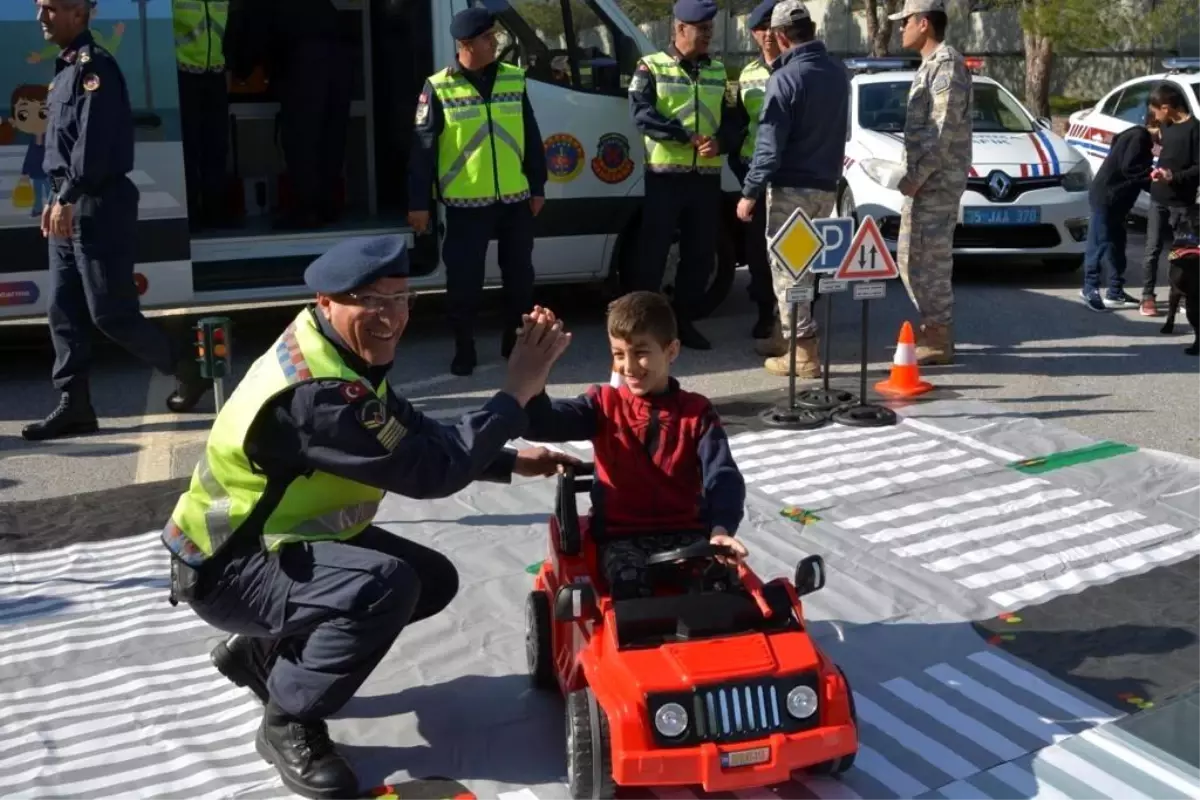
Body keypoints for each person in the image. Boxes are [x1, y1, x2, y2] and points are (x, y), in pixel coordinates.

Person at [161, 234, 580, 799]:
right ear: (328, 300)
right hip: (229, 567)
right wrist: (514, 394)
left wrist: (508, 461)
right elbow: (429, 472)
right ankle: (288, 717)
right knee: (386, 587)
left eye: (402, 298)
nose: (392, 317)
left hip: (265, 544)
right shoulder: (319, 393)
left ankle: (260, 650)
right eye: (372, 301)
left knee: (431, 579)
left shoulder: (328, 347)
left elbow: (409, 428)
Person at [24, 0, 209, 443]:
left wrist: (67, 197)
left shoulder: (95, 68)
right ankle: (75, 405)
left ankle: (185, 366)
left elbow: (95, 144)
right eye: (38, 8)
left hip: (97, 204)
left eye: (49, 8)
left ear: (78, 12)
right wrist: (55, 198)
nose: (40, 18)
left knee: (110, 312)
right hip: (67, 203)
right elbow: (61, 149)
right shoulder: (65, 68)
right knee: (62, 311)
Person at [520, 291, 749, 600]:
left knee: (721, 590)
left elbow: (722, 476)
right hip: (621, 538)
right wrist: (535, 372)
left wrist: (721, 529)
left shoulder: (697, 412)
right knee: (630, 590)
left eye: (640, 352)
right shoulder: (601, 404)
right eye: (618, 354)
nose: (628, 366)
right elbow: (543, 422)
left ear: (671, 351)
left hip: (687, 534)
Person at [408, 6, 547, 377]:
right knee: (464, 281)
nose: (496, 41)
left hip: (515, 200)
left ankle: (513, 341)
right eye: (488, 38)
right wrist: (418, 203)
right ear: (466, 44)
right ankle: (464, 346)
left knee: (520, 277)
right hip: (466, 204)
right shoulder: (438, 86)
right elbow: (422, 150)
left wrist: (538, 186)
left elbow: (531, 137)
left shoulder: (514, 80)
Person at [736, 0, 849, 378]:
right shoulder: (837, 72)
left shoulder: (785, 79)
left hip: (793, 190)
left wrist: (750, 191)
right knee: (806, 268)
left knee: (789, 271)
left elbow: (768, 148)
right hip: (825, 188)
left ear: (780, 36)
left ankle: (802, 352)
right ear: (812, 30)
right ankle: (789, 337)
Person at [628, 0, 740, 351]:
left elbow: (735, 121)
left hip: (705, 179)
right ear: (680, 29)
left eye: (710, 29)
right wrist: (684, 137)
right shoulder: (651, 67)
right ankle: (641, 329)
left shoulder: (718, 72)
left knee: (700, 254)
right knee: (652, 255)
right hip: (665, 178)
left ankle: (683, 324)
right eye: (701, 30)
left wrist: (721, 142)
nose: (708, 36)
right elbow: (642, 114)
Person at [889, 0, 972, 365]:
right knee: (910, 259)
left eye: (904, 21)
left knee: (930, 262)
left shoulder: (947, 64)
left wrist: (916, 178)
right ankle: (934, 328)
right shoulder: (930, 65)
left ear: (923, 23)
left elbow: (941, 132)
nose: (899, 28)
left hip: (935, 183)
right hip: (926, 181)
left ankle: (939, 336)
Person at [271, 0, 354, 229]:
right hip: (339, 60)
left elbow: (263, 36)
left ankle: (307, 210)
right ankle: (327, 206)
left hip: (306, 61)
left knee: (302, 139)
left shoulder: (285, 9)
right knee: (332, 136)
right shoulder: (324, 8)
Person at [730, 0, 780, 343]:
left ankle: (796, 313)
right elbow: (737, 125)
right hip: (754, 175)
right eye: (759, 30)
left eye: (771, 28)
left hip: (790, 175)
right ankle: (765, 313)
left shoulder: (795, 68)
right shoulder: (747, 75)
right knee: (758, 251)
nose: (765, 36)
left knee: (794, 247)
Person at [1079, 110, 1158, 312]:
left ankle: (1115, 290)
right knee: (1099, 242)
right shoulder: (1139, 137)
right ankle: (1090, 287)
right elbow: (1130, 168)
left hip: (1117, 201)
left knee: (1116, 243)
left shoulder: (1132, 135)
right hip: (1106, 197)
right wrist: (1154, 181)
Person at [172, 0, 235, 230]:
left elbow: (228, 33)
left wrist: (228, 68)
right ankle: (190, 212)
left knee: (217, 146)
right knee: (189, 147)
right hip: (183, 73)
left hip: (215, 75)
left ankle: (215, 210)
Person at [1140, 81, 1200, 317]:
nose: (1154, 115)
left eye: (1155, 109)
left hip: (1182, 202)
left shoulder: (1195, 129)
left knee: (1183, 253)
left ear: (1166, 107)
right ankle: (1147, 296)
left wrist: (1174, 176)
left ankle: (1183, 294)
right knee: (1152, 248)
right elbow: (1163, 150)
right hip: (1158, 198)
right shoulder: (1166, 125)